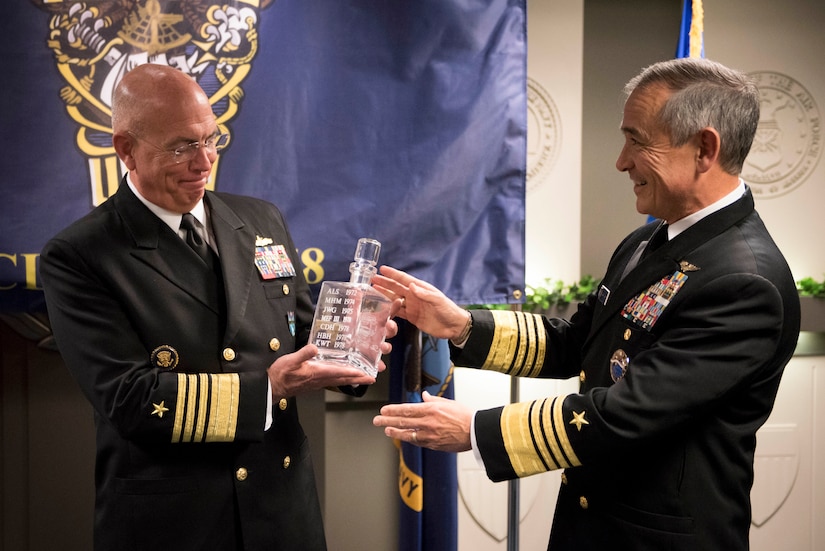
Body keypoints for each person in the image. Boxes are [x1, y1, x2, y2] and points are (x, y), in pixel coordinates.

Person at [372, 57, 801, 551]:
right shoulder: (649, 242)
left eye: (637, 140)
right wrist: (462, 326)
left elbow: (626, 413)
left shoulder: (745, 282)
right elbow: (581, 344)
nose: (621, 161)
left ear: (704, 148)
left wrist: (477, 429)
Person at [40, 63, 397, 551]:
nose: (204, 161)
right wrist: (268, 388)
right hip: (178, 522)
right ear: (126, 149)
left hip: (283, 511)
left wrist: (354, 347)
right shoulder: (81, 255)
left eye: (211, 139)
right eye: (182, 146)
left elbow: (303, 333)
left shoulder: (260, 219)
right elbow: (131, 399)